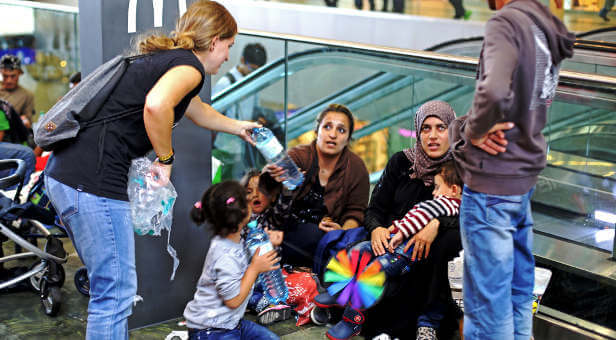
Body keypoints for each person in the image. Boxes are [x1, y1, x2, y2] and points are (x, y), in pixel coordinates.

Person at [44, 2, 260, 339]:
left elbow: (196, 109)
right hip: (92, 181)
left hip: (70, 175)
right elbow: (157, 105)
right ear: (216, 40)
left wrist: (238, 127)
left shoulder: (172, 63)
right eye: (229, 46)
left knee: (112, 289)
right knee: (114, 293)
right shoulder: (190, 68)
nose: (228, 56)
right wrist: (166, 158)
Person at [448, 0, 574, 339]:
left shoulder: (507, 23)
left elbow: (494, 89)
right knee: (519, 293)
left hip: (492, 181)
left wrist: (472, 131)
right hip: (521, 181)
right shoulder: (543, 26)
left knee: (488, 307)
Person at [313, 161, 463, 340]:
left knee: (371, 273)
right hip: (394, 239)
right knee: (357, 250)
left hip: (403, 253)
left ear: (454, 189)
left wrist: (400, 232)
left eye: (438, 188)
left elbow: (418, 220)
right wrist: (388, 229)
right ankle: (339, 292)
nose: (434, 192)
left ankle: (351, 320)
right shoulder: (435, 198)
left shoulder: (448, 204)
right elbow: (411, 217)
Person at [356, 100, 463, 340]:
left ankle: (425, 324)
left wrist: (436, 224)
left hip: (427, 262)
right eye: (426, 128)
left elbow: (471, 217)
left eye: (441, 128)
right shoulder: (401, 162)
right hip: (391, 244)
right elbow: (374, 209)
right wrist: (377, 230)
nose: (432, 136)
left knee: (450, 240)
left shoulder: (459, 171)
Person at [264, 103, 370, 268]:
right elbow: (265, 182)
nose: (333, 135)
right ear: (317, 131)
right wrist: (276, 177)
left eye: (341, 130)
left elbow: (356, 212)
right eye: (327, 127)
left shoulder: (356, 167)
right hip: (284, 232)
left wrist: (341, 232)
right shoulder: (298, 155)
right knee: (315, 236)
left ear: (348, 138)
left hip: (327, 238)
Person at [183, 180, 280, 340]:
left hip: (232, 323)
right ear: (243, 212)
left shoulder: (233, 240)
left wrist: (266, 244)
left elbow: (242, 262)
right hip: (211, 330)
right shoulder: (224, 255)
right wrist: (254, 269)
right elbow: (233, 301)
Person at [212, 43, 273, 180]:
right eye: (251, 68)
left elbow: (255, 109)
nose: (253, 73)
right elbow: (212, 115)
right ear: (242, 60)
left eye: (257, 71)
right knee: (219, 184)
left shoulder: (253, 82)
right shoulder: (226, 83)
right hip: (222, 147)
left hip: (242, 148)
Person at [0, 54, 35, 129]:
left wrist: (24, 121)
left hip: (12, 136)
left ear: (20, 73)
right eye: (5, 76)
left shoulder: (27, 96)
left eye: (13, 76)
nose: (9, 80)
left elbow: (28, 123)